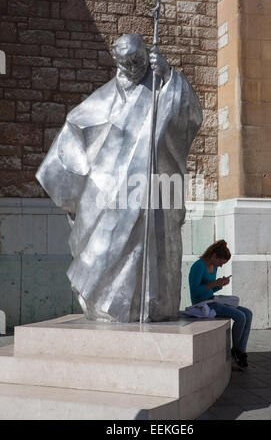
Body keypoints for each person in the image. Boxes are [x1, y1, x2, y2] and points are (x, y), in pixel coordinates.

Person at [36, 33, 203, 323]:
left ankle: (148, 305)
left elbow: (190, 115)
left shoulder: (161, 82)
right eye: (126, 63)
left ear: (146, 55)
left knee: (143, 247)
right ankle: (105, 303)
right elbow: (77, 126)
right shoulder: (104, 97)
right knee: (103, 249)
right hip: (106, 192)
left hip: (149, 191)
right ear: (116, 61)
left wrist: (169, 77)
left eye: (138, 61)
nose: (133, 67)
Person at [189, 240, 253, 369]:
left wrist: (220, 285)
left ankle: (241, 350)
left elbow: (211, 290)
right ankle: (236, 351)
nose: (221, 266)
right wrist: (214, 284)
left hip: (212, 300)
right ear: (213, 256)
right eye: (220, 262)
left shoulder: (214, 267)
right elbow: (195, 292)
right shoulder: (199, 266)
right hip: (202, 304)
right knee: (240, 316)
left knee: (248, 313)